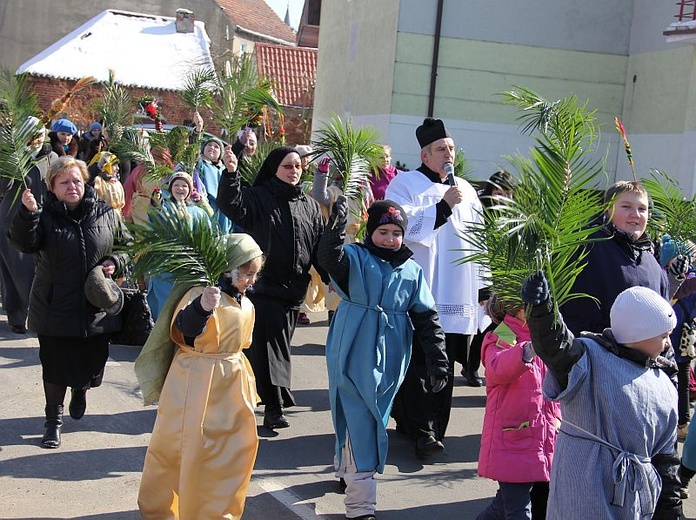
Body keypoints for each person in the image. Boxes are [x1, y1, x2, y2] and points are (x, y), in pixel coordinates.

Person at [319, 196, 449, 519]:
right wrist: (335, 225)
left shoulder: (411, 271)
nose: (390, 239)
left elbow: (427, 317)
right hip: (351, 350)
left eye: (396, 232)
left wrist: (438, 359)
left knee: (373, 418)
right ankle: (361, 506)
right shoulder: (355, 257)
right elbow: (328, 258)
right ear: (370, 232)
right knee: (356, 417)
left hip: (390, 360)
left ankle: (349, 468)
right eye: (383, 232)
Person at [521, 271, 682, 519]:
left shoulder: (663, 378)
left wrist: (670, 508)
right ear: (639, 333)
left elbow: (666, 457)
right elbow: (555, 346)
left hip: (637, 498)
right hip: (584, 488)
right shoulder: (589, 360)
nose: (669, 343)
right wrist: (542, 310)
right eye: (663, 336)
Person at [137, 233, 265, 520]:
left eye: (255, 274)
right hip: (196, 380)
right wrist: (202, 308)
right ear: (230, 267)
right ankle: (166, 509)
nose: (251, 280)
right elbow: (185, 329)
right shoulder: (201, 294)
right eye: (247, 273)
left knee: (232, 451)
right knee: (184, 448)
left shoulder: (246, 302)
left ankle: (218, 512)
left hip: (231, 383)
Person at [8, 155, 130, 449]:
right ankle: (53, 422)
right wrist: (28, 214)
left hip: (95, 306)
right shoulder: (43, 215)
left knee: (93, 366)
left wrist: (115, 261)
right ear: (52, 187)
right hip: (55, 305)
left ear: (85, 182)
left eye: (76, 180)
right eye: (64, 182)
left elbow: (127, 247)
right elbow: (23, 243)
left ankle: (82, 387)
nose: (71, 186)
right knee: (54, 366)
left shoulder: (106, 213)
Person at [385, 117, 486, 458]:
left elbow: (479, 240)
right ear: (425, 154)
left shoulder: (468, 191)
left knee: (441, 360)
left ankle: (433, 426)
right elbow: (399, 225)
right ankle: (419, 427)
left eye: (452, 148)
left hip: (457, 290)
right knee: (417, 360)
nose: (449, 154)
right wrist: (443, 206)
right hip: (420, 286)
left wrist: (484, 287)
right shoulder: (404, 184)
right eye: (442, 148)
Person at [217, 146, 325, 430]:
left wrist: (330, 275)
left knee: (269, 349)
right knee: (273, 349)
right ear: (275, 168)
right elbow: (231, 205)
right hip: (262, 287)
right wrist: (230, 174)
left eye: (298, 166)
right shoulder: (258, 197)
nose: (294, 171)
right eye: (288, 166)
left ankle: (247, 398)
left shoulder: (310, 206)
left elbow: (318, 247)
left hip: (293, 291)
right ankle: (276, 407)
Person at [561, 180, 686, 337]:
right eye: (626, 207)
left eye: (642, 209)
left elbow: (659, 312)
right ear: (607, 210)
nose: (635, 214)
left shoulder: (650, 261)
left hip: (639, 358)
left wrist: (673, 279)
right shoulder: (583, 246)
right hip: (586, 353)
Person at [476, 295, 560, 520]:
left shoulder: (546, 334)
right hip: (513, 438)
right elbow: (497, 368)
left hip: (544, 436)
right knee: (518, 511)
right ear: (516, 308)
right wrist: (527, 351)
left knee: (503, 506)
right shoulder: (503, 335)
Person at [0, 117, 56, 334]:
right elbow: (3, 186)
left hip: (44, 221)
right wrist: (17, 159)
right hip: (13, 220)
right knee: (16, 271)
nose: (37, 140)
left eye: (40, 135)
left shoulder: (51, 158)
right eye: (32, 136)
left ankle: (39, 312)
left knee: (41, 270)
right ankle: (17, 315)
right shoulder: (12, 157)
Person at [463, 170, 515, 387]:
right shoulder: (480, 214)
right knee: (485, 326)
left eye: (506, 193)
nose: (501, 197)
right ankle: (471, 366)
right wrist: (483, 288)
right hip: (484, 278)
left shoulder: (514, 217)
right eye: (497, 192)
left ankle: (497, 365)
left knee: (504, 326)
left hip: (507, 280)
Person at [146, 172, 212, 321]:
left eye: (184, 185)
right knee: (164, 307)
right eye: (176, 185)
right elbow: (154, 222)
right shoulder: (164, 209)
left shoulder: (198, 213)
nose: (180, 188)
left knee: (185, 307)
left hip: (189, 268)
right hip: (165, 268)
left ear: (190, 189)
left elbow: (207, 238)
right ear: (170, 188)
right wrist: (155, 206)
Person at [193, 136, 232, 234]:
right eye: (209, 145)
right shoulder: (201, 164)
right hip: (206, 204)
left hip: (223, 208)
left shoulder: (224, 169)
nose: (212, 148)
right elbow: (193, 149)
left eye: (216, 146)